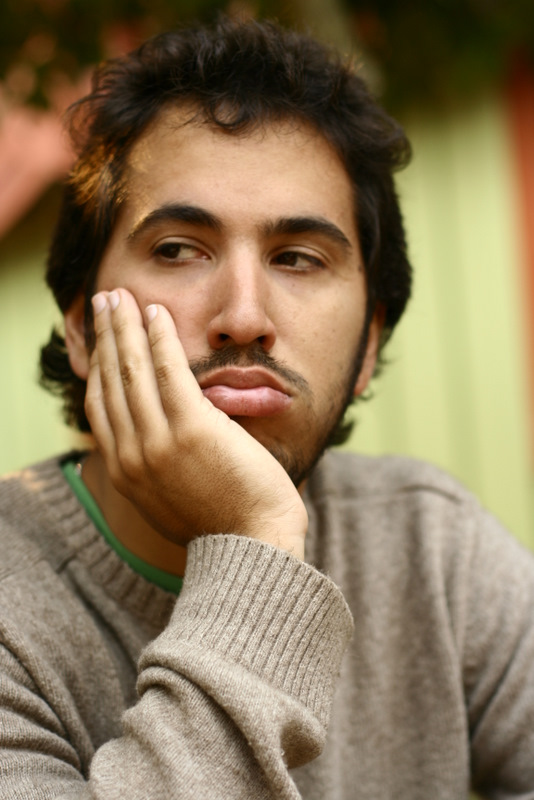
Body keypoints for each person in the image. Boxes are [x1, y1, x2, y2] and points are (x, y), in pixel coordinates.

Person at [1, 16, 533, 800]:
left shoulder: (435, 549)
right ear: (81, 329)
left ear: (368, 348)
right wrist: (256, 541)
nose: (244, 316)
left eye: (298, 258)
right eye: (178, 249)